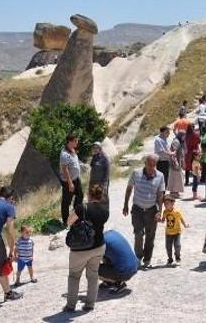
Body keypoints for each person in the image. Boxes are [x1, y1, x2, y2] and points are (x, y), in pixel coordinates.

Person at [65, 184, 109, 313]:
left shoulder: (81, 208)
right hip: (98, 247)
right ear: (101, 196)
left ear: (89, 195)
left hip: (80, 249)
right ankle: (90, 305)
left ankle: (71, 306)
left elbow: (69, 222)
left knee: (74, 276)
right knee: (93, 276)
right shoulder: (105, 211)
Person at [123, 154, 166, 269]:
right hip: (137, 209)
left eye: (154, 165)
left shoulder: (160, 176)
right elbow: (129, 189)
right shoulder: (136, 173)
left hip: (151, 210)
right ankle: (138, 257)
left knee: (150, 236)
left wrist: (159, 211)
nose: (152, 167)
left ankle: (147, 259)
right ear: (145, 163)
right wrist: (125, 204)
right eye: (149, 165)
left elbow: (160, 195)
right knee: (138, 234)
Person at [99, 230, 139, 294]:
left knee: (92, 268)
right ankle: (109, 282)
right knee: (107, 257)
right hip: (135, 266)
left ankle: (119, 283)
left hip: (125, 271)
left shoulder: (101, 243)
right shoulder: (112, 233)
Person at [60, 133, 83, 226]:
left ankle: (75, 215)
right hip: (68, 181)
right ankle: (66, 221)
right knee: (66, 201)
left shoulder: (72, 150)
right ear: (69, 142)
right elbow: (64, 169)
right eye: (75, 141)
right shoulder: (64, 154)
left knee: (80, 196)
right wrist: (70, 183)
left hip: (76, 179)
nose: (77, 142)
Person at [162, 195, 189, 265]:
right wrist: (158, 219)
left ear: (172, 203)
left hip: (177, 232)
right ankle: (170, 259)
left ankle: (177, 256)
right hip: (168, 233)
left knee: (177, 245)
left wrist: (185, 224)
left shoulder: (177, 212)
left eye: (167, 203)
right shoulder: (165, 212)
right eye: (164, 204)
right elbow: (163, 220)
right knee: (168, 247)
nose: (165, 205)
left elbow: (181, 219)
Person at [167, 132, 186, 197]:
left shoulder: (179, 142)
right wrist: (176, 162)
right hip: (175, 163)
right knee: (175, 177)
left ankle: (175, 192)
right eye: (183, 136)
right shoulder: (176, 142)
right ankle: (173, 192)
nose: (184, 138)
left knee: (178, 177)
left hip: (177, 162)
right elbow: (174, 153)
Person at [184, 124, 201, 190]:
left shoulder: (186, 135)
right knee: (195, 166)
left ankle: (187, 181)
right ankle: (195, 180)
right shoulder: (196, 134)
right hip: (195, 152)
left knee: (187, 167)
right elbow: (199, 141)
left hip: (188, 152)